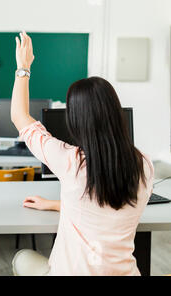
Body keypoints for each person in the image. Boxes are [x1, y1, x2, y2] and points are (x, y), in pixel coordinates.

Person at [10, 32, 154, 276]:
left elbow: (20, 117)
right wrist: (58, 204)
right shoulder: (144, 164)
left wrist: (23, 68)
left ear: (75, 121)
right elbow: (104, 207)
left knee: (21, 258)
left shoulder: (70, 162)